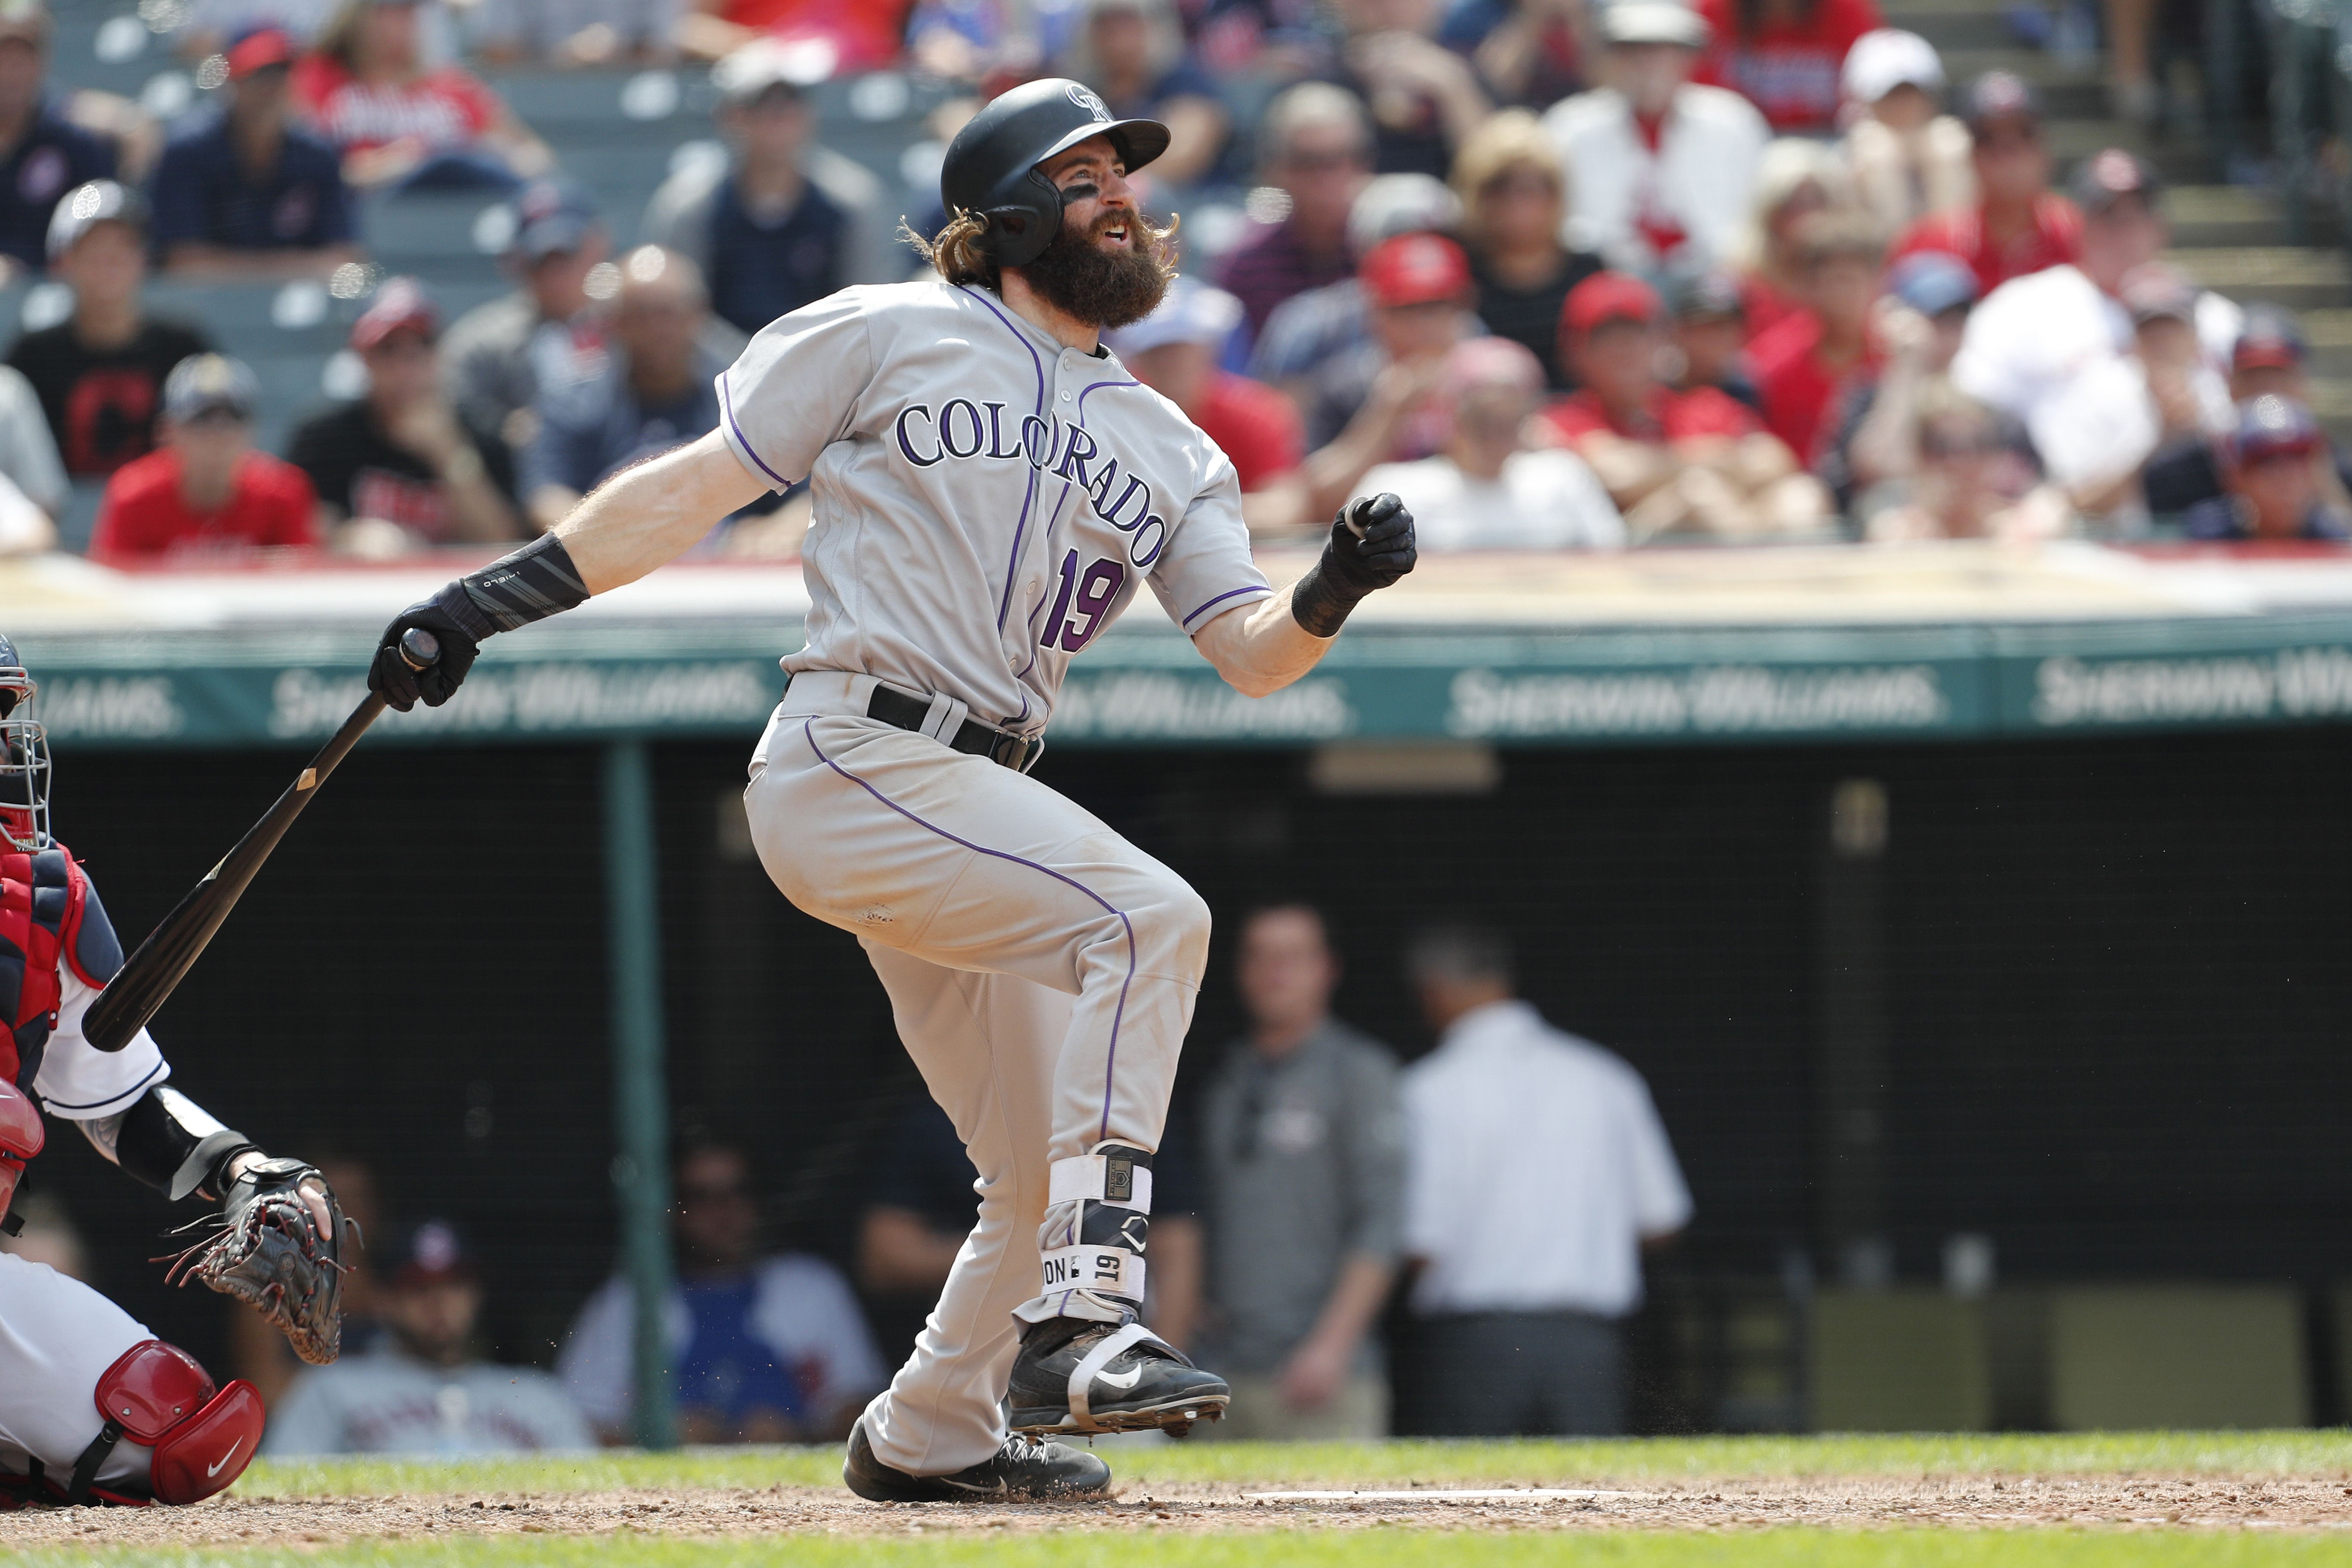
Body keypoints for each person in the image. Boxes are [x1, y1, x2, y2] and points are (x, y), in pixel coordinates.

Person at [363, 77, 1418, 1502]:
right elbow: (689, 489)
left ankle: (930, 1428)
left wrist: (1333, 587)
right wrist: (483, 602)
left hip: (976, 804)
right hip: (857, 752)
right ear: (1009, 211)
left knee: (1034, 1170)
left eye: (1128, 172)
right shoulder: (888, 328)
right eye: (1090, 174)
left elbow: (1248, 655)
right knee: (1150, 918)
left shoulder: (1176, 443)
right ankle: (1082, 1320)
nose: (1126, 195)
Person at [0, 633, 350, 1505]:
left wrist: (243, 1170)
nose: (7, 749)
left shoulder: (40, 901)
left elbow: (123, 1102)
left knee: (172, 1431)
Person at [1399, 922, 1690, 1436]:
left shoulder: (1429, 1089)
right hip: (1588, 1343)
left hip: (1477, 1345)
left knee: (1469, 1509)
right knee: (1594, 1509)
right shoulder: (1606, 1078)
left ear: (1435, 991)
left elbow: (1423, 1241)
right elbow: (1662, 1221)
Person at [1193, 905, 1404, 1440]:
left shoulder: (1360, 1073)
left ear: (1326, 969)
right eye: (1258, 957)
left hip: (1323, 1374)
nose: (1274, 972)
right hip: (1218, 1370)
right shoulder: (1223, 1079)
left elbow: (1384, 1221)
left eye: (1292, 957)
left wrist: (1331, 1348)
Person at [1950, 150, 2233, 519]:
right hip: (2070, 514)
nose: (2121, 231)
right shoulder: (2020, 308)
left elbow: (2277, 408)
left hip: (2212, 521)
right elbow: (1970, 411)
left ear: (2161, 226)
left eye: (2135, 216)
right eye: (2106, 216)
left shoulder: (2220, 319)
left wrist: (2226, 425)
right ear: (2078, 226)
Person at [560, 1138, 887, 1445]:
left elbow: (866, 1410)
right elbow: (572, 1425)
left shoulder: (812, 1286)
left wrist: (797, 1436)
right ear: (672, 1208)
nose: (724, 1212)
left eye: (738, 1193)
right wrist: (658, 1436)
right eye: (702, 1197)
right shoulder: (629, 1300)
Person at [264, 1221, 593, 1455]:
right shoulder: (332, 1388)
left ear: (477, 1294)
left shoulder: (539, 1395)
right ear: (385, 1299)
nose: (440, 1303)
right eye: (419, 1288)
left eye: (455, 1285)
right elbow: (285, 1493)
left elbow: (588, 1503)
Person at [640, 39, 893, 340]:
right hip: (718, 378)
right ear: (730, 117)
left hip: (827, 370)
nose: (782, 116)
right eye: (764, 103)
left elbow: (869, 312)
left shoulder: (853, 202)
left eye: (793, 101)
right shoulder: (687, 206)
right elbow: (678, 316)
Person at [1543, 269, 1824, 537]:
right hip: (1623, 559)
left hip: (1718, 542)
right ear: (1576, 353)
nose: (1624, 351)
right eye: (1606, 339)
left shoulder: (1702, 406)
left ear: (1661, 342)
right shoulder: (1565, 417)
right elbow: (1617, 475)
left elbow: (1772, 461)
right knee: (1698, 495)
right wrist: (1718, 460)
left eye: (1636, 336)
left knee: (1799, 497)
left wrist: (1671, 466)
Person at [288, 277, 521, 551]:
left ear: (439, 354)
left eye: (421, 347)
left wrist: (448, 453)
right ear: (363, 358)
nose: (405, 367)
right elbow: (303, 536)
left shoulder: (483, 434)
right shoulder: (324, 440)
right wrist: (351, 536)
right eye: (388, 350)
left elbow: (502, 542)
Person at [1543, 0, 1767, 278]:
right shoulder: (1570, 127)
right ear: (1611, 57)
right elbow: (1563, 228)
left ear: (1690, 56)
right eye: (1633, 50)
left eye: (1663, 50)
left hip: (1713, 285)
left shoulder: (1734, 123)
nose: (1648, 63)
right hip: (1605, 284)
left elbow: (1752, 225)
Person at [8, 183, 211, 480]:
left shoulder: (182, 348)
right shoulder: (32, 357)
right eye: (94, 247)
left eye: (125, 246)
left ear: (144, 259)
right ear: (63, 262)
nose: (110, 259)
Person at [521, 247, 729, 533]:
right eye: (640, 314)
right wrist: (611, 537)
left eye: (668, 312)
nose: (657, 328)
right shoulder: (573, 403)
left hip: (730, 569)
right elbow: (546, 496)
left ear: (699, 314)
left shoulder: (740, 402)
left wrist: (771, 530)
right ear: (613, 323)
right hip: (612, 568)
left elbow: (801, 493)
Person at [1361, 336, 1623, 548]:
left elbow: (1614, 564)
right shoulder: (1396, 491)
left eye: (1510, 418)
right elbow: (1347, 583)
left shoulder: (1565, 478)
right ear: (1450, 413)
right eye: (1483, 419)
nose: (1496, 432)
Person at [150, 27, 360, 280]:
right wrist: (297, 267)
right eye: (259, 75)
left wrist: (237, 268)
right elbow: (184, 264)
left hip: (296, 311)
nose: (272, 89)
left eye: (282, 74)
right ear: (232, 81)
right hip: (201, 314)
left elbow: (344, 263)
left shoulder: (318, 156)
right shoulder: (187, 153)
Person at [1106, 276, 1307, 534]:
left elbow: (1286, 506)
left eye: (1184, 348)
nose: (1173, 362)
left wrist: (1178, 518)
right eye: (1160, 350)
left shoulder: (1257, 414)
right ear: (1139, 359)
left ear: (1209, 350)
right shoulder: (1113, 415)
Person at [1299, 230, 1479, 519]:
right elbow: (1318, 502)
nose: (1424, 324)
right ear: (1375, 312)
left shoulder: (1492, 378)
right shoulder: (1344, 386)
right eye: (1406, 308)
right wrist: (1390, 410)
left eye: (1437, 306)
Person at [1245, 171, 1462, 408]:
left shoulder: (1465, 323)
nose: (1417, 255)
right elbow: (1280, 421)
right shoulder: (1308, 324)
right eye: (1398, 238)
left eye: (1433, 239)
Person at [294, 0, 554, 192]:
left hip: (450, 207)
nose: (406, 20)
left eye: (412, 11)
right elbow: (300, 162)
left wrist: (495, 154)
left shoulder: (452, 86)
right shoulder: (320, 76)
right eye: (393, 10)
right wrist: (384, 165)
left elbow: (532, 155)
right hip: (362, 214)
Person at [441, 178, 612, 460]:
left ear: (597, 246)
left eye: (564, 256)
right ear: (516, 261)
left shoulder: (636, 324)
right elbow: (453, 415)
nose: (553, 275)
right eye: (540, 261)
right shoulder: (481, 345)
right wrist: (500, 427)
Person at [88, 355, 318, 564]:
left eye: (232, 420)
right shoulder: (134, 496)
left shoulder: (284, 493)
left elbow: (301, 586)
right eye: (201, 421)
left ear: (252, 432)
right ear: (167, 432)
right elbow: (111, 585)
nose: (218, 436)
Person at [2143, 306, 2352, 520]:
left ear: (2301, 384)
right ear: (2231, 385)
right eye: (2253, 377)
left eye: (2278, 377)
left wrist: (2323, 480)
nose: (2267, 390)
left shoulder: (2337, 465)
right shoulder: (2178, 473)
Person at [1890, 72, 2079, 297]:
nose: (2008, 153)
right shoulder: (1931, 245)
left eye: (2024, 134)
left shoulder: (2078, 235)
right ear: (1970, 154)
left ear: (2045, 151)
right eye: (1988, 139)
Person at [1449, 108, 1600, 390]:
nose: (1516, 201)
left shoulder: (1589, 272)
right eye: (1499, 187)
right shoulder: (1459, 271)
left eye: (1531, 187)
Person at [1216, 82, 1374, 337]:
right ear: (1275, 170)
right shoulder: (1248, 264)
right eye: (1307, 162)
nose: (1326, 178)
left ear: (1363, 164)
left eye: (1340, 159)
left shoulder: (1384, 249)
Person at [1748, 209, 1883, 469]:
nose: (1846, 294)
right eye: (1835, 282)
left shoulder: (1897, 353)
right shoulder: (1771, 363)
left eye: (1854, 281)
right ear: (1808, 287)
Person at [0, 0, 121, 279]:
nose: (12, 73)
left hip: (56, 301)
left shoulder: (76, 147)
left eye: (24, 58)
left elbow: (97, 237)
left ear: (42, 63)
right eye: (3, 58)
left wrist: (27, 274)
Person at [1059, 0, 1228, 190]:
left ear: (1155, 28)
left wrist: (1112, 179)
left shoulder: (1183, 80)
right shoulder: (1081, 91)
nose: (1119, 38)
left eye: (1128, 25)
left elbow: (1185, 153)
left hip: (1191, 196)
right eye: (1106, 26)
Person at [1323, 0, 1492, 180]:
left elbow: (1497, 174)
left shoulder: (1463, 77)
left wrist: (1453, 91)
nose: (1388, 6)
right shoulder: (1322, 88)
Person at [1838, 28, 1969, 235]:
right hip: (1874, 255)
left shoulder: (1951, 144)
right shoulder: (1863, 150)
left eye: (1912, 93)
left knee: (1948, 144)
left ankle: (1948, 248)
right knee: (1875, 150)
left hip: (1950, 259)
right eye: (1890, 95)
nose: (1903, 105)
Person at [1722, 138, 1847, 345]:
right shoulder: (1742, 284)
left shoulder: (1849, 276)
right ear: (1770, 212)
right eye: (1796, 203)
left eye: (1818, 200)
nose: (1810, 215)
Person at [1693, 0, 1883, 134]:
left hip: (1831, 143)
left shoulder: (1848, 9)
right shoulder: (1713, 10)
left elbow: (1876, 94)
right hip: (1736, 145)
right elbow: (1699, 102)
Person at [2181, 396, 2352, 544]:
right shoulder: (2205, 535)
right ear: (2237, 476)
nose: (2288, 478)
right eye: (2268, 463)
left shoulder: (2336, 542)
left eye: (2299, 460)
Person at [1438, 0, 1592, 111]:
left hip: (1579, 118)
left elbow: (1600, 83)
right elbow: (1495, 86)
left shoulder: (1591, 8)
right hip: (1507, 122)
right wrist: (1534, 16)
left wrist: (1577, 17)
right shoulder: (1473, 14)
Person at [471, 0, 677, 67]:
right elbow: (499, 54)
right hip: (540, 109)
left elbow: (662, 50)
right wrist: (560, 58)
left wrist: (619, 53)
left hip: (635, 107)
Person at [1668, 270, 1759, 410]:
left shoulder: (1749, 391)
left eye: (1724, 328)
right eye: (1705, 328)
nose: (1716, 339)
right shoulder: (1657, 391)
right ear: (1680, 332)